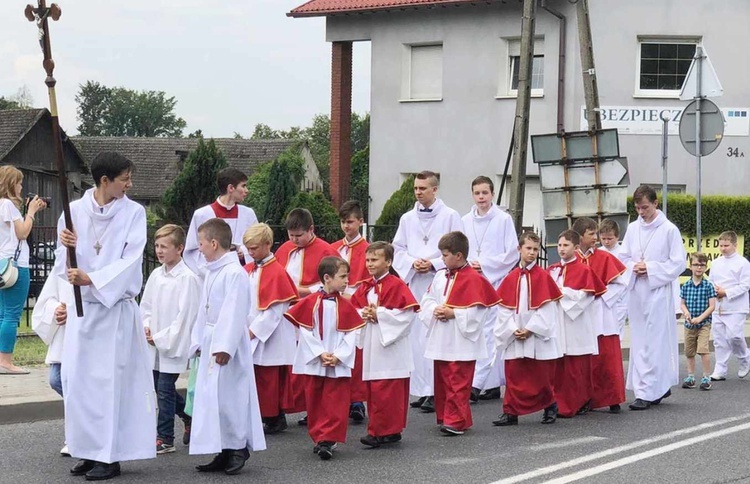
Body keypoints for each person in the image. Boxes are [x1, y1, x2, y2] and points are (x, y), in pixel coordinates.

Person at [55, 152, 154, 480]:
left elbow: (131, 259)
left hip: (113, 312)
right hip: (82, 315)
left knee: (109, 386)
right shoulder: (72, 213)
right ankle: (86, 449)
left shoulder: (134, 213)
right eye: (125, 178)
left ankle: (109, 456)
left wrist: (92, 278)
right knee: (77, 384)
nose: (130, 184)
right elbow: (62, 266)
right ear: (104, 181)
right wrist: (66, 246)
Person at [189, 218, 266, 475]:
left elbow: (234, 312)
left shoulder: (234, 272)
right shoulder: (212, 270)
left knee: (230, 397)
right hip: (212, 339)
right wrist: (198, 340)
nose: (198, 248)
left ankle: (237, 447)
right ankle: (222, 448)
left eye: (200, 243)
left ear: (213, 243)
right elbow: (204, 309)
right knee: (214, 399)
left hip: (227, 345)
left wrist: (224, 347)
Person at [392, 170, 462, 412]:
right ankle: (422, 389)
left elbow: (460, 249)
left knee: (436, 335)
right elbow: (397, 249)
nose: (418, 192)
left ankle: (436, 391)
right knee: (417, 338)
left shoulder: (451, 216)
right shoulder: (407, 218)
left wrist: (433, 263)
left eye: (422, 188)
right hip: (415, 282)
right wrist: (411, 262)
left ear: (435, 189)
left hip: (439, 281)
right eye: (415, 188)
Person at [419, 231, 499, 436]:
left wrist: (454, 313)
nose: (441, 259)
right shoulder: (439, 275)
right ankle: (448, 416)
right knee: (443, 379)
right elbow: (427, 299)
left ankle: (455, 420)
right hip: (442, 336)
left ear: (459, 256)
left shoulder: (474, 278)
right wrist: (434, 309)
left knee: (458, 381)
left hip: (462, 339)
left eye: (445, 255)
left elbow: (479, 310)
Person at [284, 257, 364, 460]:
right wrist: (320, 353)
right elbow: (306, 331)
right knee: (316, 400)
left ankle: (329, 438)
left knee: (335, 401)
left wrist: (338, 356)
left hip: (337, 362)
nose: (347, 281)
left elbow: (350, 333)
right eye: (343, 276)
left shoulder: (345, 305)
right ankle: (319, 436)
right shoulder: (310, 303)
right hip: (316, 360)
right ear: (327, 278)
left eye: (347, 276)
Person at [619, 186, 686, 411]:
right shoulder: (632, 228)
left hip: (658, 292)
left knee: (654, 342)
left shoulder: (669, 230)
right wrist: (632, 267)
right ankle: (654, 386)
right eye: (637, 208)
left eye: (645, 207)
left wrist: (650, 268)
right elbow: (623, 257)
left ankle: (648, 391)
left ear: (656, 203)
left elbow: (678, 263)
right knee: (639, 341)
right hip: (637, 292)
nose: (641, 212)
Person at [140, 224, 201, 454]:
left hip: (172, 342)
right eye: (156, 246)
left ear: (180, 248)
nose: (159, 251)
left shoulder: (188, 279)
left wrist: (162, 337)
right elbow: (145, 306)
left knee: (165, 387)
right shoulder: (156, 274)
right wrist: (146, 328)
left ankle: (165, 437)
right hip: (153, 341)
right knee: (157, 386)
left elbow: (185, 316)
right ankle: (187, 416)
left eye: (164, 246)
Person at [351, 242, 419, 447]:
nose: (370, 264)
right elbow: (353, 310)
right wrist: (363, 314)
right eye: (368, 260)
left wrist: (379, 314)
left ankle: (386, 431)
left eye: (375, 260)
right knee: (375, 389)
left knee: (389, 390)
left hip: (391, 348)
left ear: (388, 262)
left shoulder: (397, 285)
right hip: (373, 345)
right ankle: (381, 429)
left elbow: (406, 315)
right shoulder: (364, 287)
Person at [275, 208, 339, 423]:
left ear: (311, 229)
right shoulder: (285, 249)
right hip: (286, 311)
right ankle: (290, 405)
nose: (294, 240)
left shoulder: (325, 250)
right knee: (289, 361)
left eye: (299, 235)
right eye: (290, 235)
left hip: (313, 310)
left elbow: (333, 281)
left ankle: (315, 408)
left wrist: (301, 291)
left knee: (312, 358)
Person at [493, 232, 563, 426]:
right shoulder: (511, 277)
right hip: (515, 334)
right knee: (514, 375)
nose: (532, 253)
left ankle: (550, 406)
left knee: (541, 375)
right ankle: (511, 412)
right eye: (528, 248)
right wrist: (513, 328)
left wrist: (531, 329)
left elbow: (548, 310)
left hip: (536, 336)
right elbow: (504, 309)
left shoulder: (544, 277)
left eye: (535, 249)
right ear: (519, 249)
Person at [462, 176, 518, 402]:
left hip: (494, 281)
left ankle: (478, 383)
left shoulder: (503, 219)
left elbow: (512, 253)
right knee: (474, 331)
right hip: (472, 281)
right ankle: (489, 383)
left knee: (491, 332)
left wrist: (485, 265)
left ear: (492, 194)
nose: (481, 198)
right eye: (477, 193)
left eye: (485, 193)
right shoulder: (465, 220)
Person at [243, 223, 299, 435]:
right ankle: (263, 414)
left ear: (267, 245)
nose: (250, 252)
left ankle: (274, 416)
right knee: (257, 375)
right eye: (248, 248)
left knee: (270, 378)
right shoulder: (249, 269)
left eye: (254, 248)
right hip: (250, 327)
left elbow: (276, 310)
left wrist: (253, 331)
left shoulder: (277, 272)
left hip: (270, 334)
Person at [547, 230, 605, 418]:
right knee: (559, 366)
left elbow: (586, 297)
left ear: (576, 247)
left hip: (576, 323)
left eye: (566, 245)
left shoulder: (584, 270)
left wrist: (562, 292)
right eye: (560, 245)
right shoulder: (553, 269)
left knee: (575, 367)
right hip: (558, 321)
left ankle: (576, 401)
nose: (561, 249)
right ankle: (557, 402)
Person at [572, 217, 627, 413]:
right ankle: (584, 398)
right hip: (580, 313)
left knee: (606, 357)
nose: (596, 238)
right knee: (584, 360)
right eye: (591, 234)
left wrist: (600, 296)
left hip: (602, 312)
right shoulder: (571, 260)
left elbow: (620, 284)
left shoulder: (605, 257)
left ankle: (612, 398)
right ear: (580, 237)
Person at [0, 165, 46, 374]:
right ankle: (6, 361)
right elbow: (22, 233)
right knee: (11, 315)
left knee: (2, 315)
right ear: (11, 184)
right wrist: (32, 212)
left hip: (2, 264)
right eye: (19, 183)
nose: (21, 187)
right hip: (16, 266)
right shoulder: (8, 205)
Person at [331, 200, 369, 423]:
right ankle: (337, 400)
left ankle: (356, 401)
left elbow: (366, 282)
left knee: (355, 354)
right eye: (343, 222)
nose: (346, 226)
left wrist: (349, 294)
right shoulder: (334, 248)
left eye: (351, 222)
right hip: (334, 305)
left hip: (355, 305)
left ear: (361, 222)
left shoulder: (367, 250)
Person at [184, 168, 258, 276]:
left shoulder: (248, 214)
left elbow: (257, 242)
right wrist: (209, 271)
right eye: (243, 186)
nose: (247, 190)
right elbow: (192, 251)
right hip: (211, 274)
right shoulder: (202, 214)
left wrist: (243, 251)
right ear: (231, 188)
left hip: (242, 273)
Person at [31, 272, 73, 455]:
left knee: (79, 388)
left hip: (88, 333)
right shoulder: (62, 263)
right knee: (57, 380)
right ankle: (79, 433)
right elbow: (46, 299)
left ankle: (77, 437)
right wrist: (56, 309)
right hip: (64, 336)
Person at [708, 231, 750, 382]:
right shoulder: (716, 262)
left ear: (734, 245)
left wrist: (726, 292)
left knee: (734, 336)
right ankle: (720, 369)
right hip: (719, 306)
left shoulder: (743, 263)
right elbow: (710, 280)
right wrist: (714, 290)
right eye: (721, 245)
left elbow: (745, 285)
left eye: (726, 245)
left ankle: (745, 358)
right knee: (719, 339)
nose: (723, 248)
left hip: (736, 306)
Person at [679, 252, 716, 391]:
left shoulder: (708, 286)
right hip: (689, 324)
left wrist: (700, 318)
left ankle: (706, 377)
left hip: (703, 324)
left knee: (703, 349)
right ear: (690, 266)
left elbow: (712, 306)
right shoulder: (686, 285)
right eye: (696, 265)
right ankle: (690, 377)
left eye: (702, 265)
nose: (699, 268)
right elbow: (682, 303)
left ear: (706, 267)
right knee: (689, 351)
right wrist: (686, 313)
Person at [598, 219, 629, 340]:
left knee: (616, 330)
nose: (606, 242)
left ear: (617, 237)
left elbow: (625, 279)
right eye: (603, 238)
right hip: (601, 297)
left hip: (619, 299)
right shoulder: (598, 252)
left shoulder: (623, 253)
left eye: (610, 238)